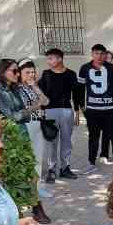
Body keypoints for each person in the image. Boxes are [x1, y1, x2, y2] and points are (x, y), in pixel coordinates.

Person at [78, 44, 113, 175]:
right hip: (93, 110)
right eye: (96, 53)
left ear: (105, 54)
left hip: (110, 109)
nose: (99, 56)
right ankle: (91, 162)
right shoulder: (85, 68)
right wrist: (82, 106)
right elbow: (80, 89)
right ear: (92, 54)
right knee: (93, 137)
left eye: (101, 53)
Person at [38, 48, 83, 184]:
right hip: (49, 111)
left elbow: (76, 94)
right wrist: (41, 111)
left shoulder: (71, 74)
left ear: (60, 59)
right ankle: (52, 169)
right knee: (52, 141)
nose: (49, 61)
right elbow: (40, 93)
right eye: (48, 59)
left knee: (66, 140)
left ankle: (65, 168)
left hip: (66, 110)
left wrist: (77, 112)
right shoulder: (45, 74)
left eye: (51, 58)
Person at [17, 60, 53, 222]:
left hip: (38, 125)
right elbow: (24, 109)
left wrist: (35, 88)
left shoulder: (33, 86)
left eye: (33, 72)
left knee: (38, 159)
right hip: (26, 125)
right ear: (20, 73)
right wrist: (37, 105)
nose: (31, 75)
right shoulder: (17, 89)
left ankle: (37, 188)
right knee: (29, 159)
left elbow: (46, 101)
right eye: (27, 72)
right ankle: (29, 193)